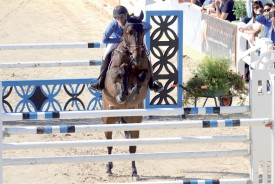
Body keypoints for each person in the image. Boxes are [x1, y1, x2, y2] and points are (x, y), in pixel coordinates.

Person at [89, 6, 163, 92]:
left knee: (147, 54)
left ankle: (152, 82)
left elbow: (149, 26)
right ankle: (101, 81)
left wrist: (140, 36)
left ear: (126, 16)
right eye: (117, 17)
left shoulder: (132, 23)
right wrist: (120, 39)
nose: (120, 19)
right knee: (106, 55)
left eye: (122, 17)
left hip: (133, 43)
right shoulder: (113, 24)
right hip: (117, 41)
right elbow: (104, 39)